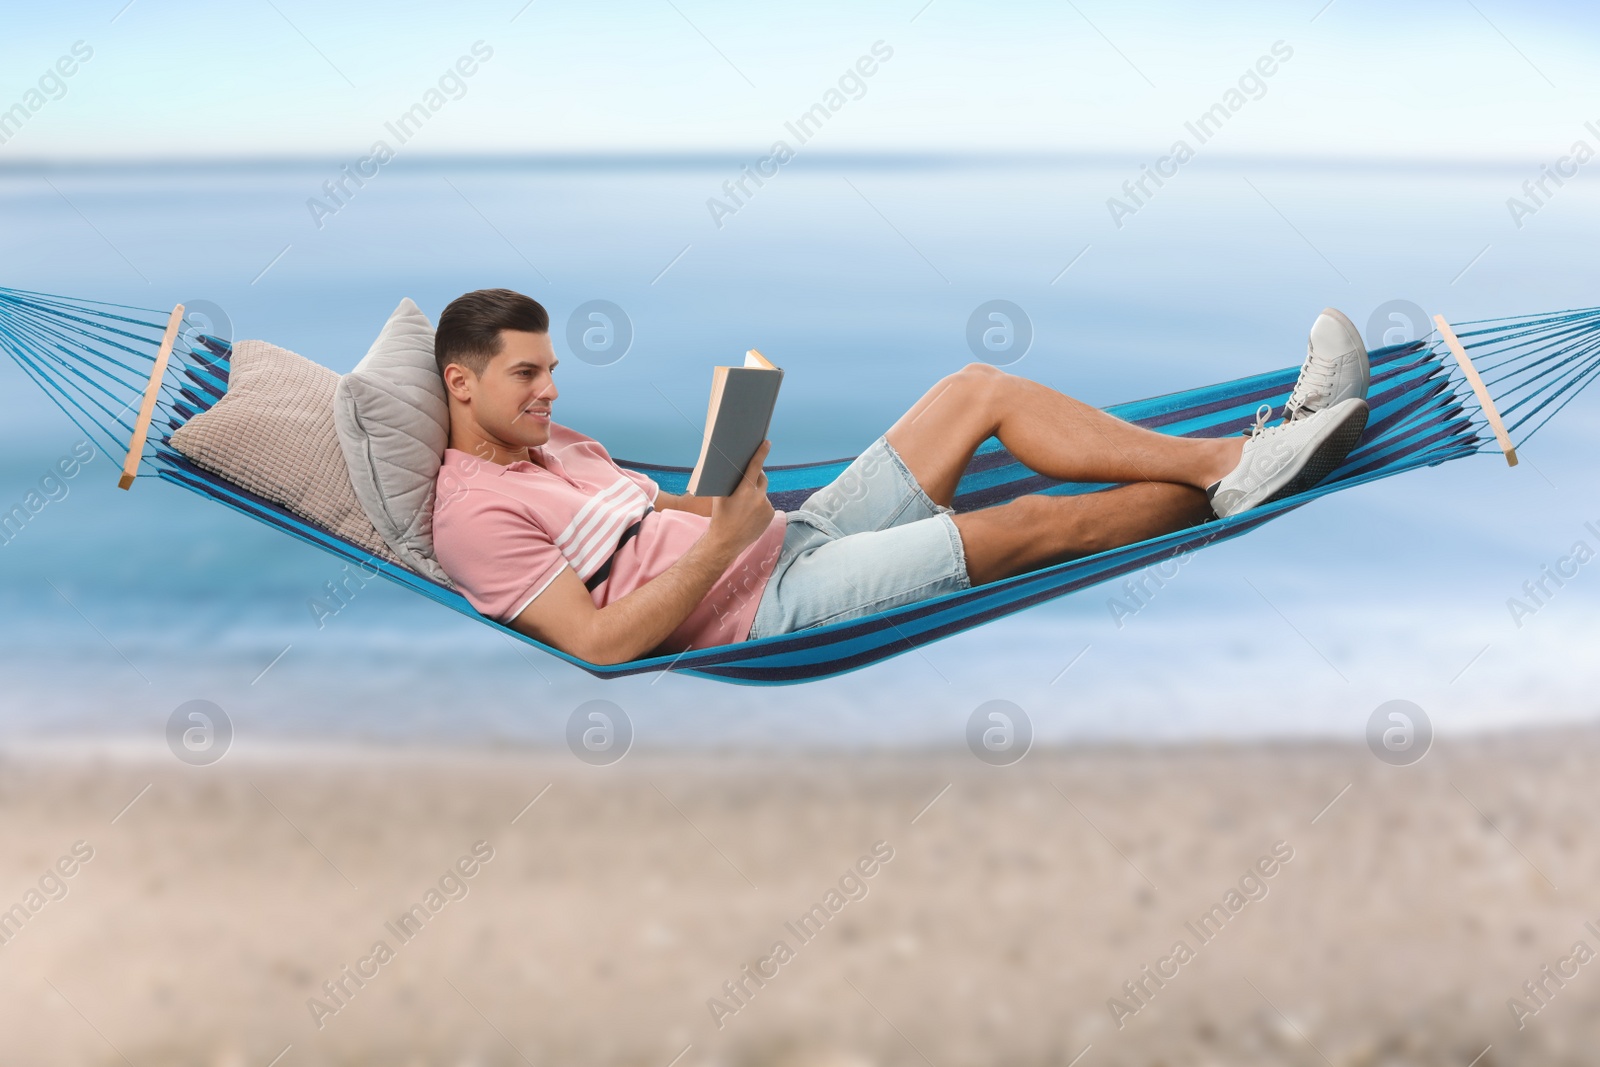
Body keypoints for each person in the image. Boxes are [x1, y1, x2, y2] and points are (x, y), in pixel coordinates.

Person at [431, 289, 1369, 665]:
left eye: (552, 369)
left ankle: (1233, 463)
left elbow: (645, 514)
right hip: (767, 608)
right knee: (1027, 525)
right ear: (460, 384)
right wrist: (723, 538)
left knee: (977, 389)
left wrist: (725, 492)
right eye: (529, 374)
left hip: (789, 533)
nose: (553, 388)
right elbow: (596, 644)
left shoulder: (552, 446)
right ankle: (1257, 461)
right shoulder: (472, 515)